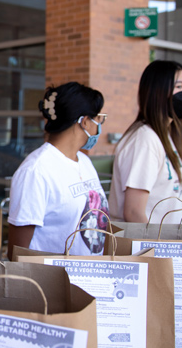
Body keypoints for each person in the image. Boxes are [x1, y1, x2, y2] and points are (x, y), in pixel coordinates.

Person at [7, 82, 110, 260]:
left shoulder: (84, 162)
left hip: (91, 279)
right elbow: (17, 252)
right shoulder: (36, 171)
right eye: (99, 118)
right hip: (55, 283)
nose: (100, 125)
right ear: (85, 122)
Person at [109, 60, 182, 224]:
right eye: (179, 87)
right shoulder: (145, 139)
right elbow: (134, 212)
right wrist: (157, 248)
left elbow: (164, 199)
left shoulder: (165, 136)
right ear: (158, 92)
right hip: (152, 247)